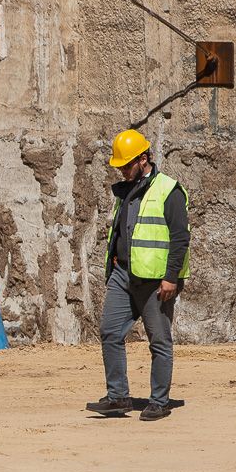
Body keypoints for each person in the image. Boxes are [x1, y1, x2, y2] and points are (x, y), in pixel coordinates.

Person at [87, 129, 191, 422]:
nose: (121, 170)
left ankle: (159, 401)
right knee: (110, 330)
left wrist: (171, 277)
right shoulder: (127, 190)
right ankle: (117, 396)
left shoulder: (168, 190)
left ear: (143, 159)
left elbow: (180, 238)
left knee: (159, 340)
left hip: (156, 281)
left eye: (125, 165)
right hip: (123, 274)